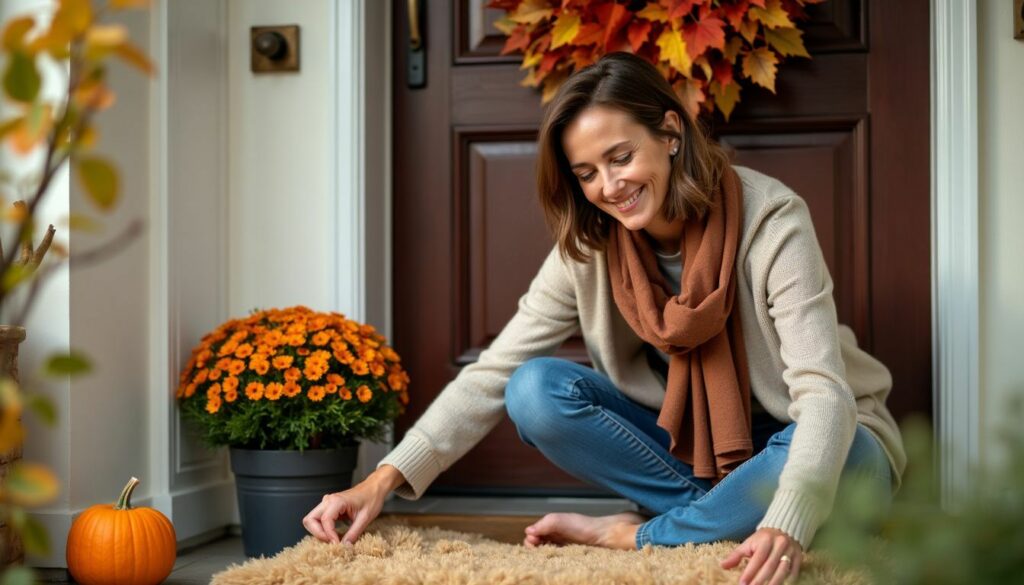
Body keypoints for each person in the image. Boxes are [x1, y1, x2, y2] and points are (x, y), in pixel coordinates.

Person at [303, 51, 906, 585]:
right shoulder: (591, 248)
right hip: (696, 461)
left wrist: (788, 516)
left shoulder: (772, 219)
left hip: (818, 441)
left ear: (670, 132)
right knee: (533, 389)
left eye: (621, 157)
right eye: (587, 173)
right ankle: (718, 516)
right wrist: (381, 479)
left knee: (841, 443)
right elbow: (493, 373)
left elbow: (824, 395)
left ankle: (644, 533)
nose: (610, 187)